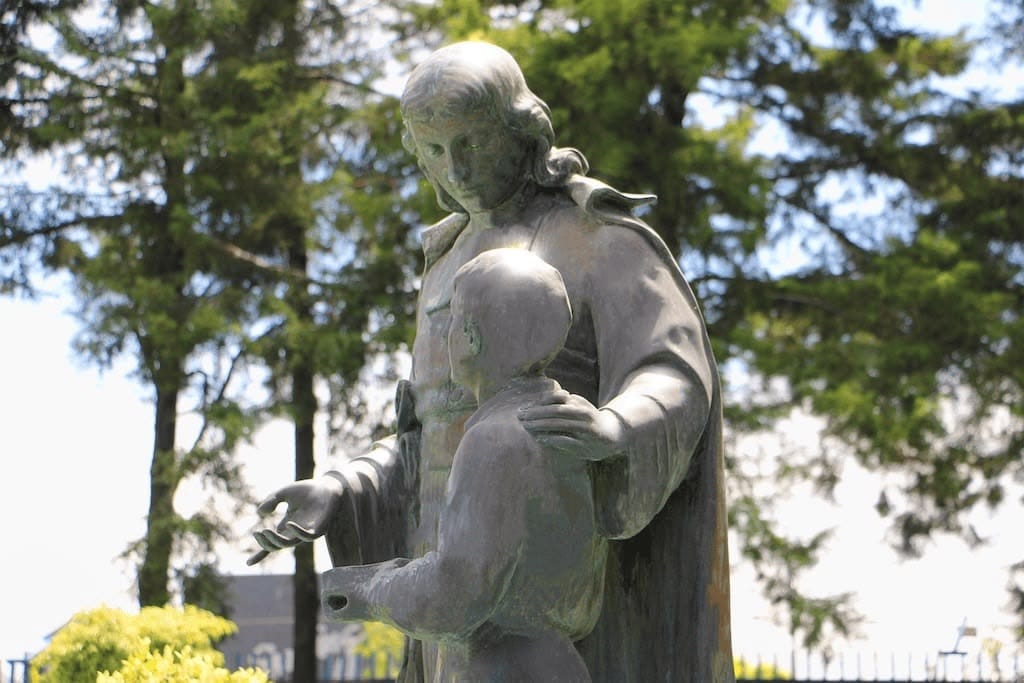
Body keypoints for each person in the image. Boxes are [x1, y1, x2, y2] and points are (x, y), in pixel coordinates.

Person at [251, 41, 734, 682]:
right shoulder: (446, 260)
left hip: (562, 614)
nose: (455, 168)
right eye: (433, 150)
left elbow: (673, 372)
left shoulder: (599, 240)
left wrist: (617, 429)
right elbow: (436, 433)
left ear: (521, 126)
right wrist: (346, 487)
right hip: (452, 611)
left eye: (471, 142)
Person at [320, 248, 605, 682]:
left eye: (452, 321)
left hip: (504, 669)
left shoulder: (496, 439)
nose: (446, 334)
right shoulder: (563, 424)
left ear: (470, 337)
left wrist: (369, 588)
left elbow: (455, 592)